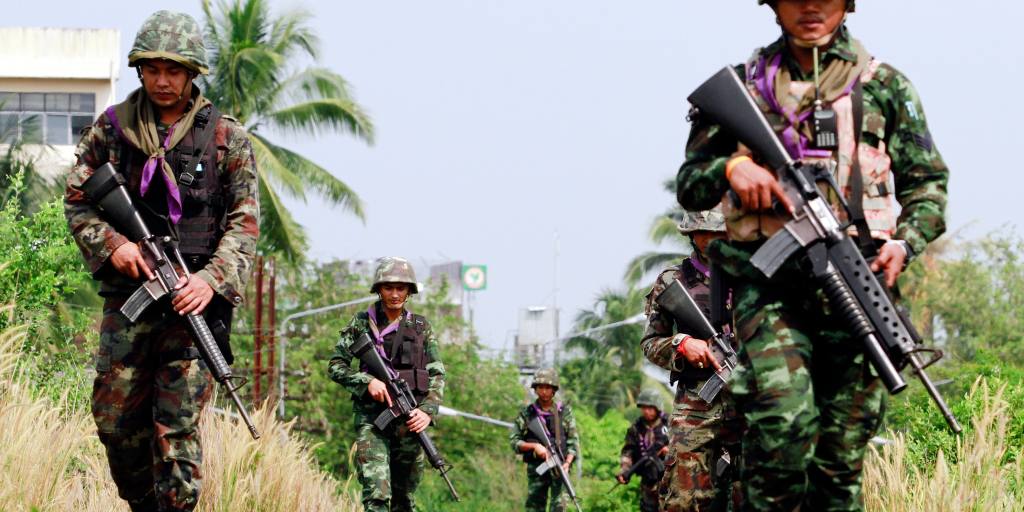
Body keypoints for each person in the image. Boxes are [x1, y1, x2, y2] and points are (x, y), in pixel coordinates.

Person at [676, 1, 949, 509]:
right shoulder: (747, 86)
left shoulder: (884, 86)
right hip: (773, 291)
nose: (810, 6)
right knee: (783, 426)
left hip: (860, 286)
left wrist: (904, 241)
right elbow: (691, 184)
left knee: (839, 462)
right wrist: (732, 169)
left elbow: (928, 183)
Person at [63, 10, 258, 512]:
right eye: (153, 70)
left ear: (192, 73)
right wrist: (115, 246)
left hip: (195, 311)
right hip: (131, 301)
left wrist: (211, 280)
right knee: (115, 424)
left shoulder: (226, 139)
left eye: (174, 71)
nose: (163, 81)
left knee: (177, 434)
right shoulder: (112, 130)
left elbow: (244, 223)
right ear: (140, 71)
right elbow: (79, 199)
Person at [640, 208, 742, 511]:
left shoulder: (750, 277)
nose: (711, 240)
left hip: (749, 403)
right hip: (696, 407)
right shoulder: (672, 281)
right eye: (704, 233)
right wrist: (681, 343)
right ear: (691, 236)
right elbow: (649, 343)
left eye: (718, 233)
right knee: (683, 500)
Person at [328, 257, 446, 512]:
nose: (394, 294)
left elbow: (436, 374)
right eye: (388, 287)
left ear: (409, 291)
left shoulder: (421, 326)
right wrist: (367, 381)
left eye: (401, 288)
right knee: (377, 496)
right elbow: (336, 365)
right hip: (373, 422)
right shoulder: (360, 323)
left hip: (410, 424)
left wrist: (428, 412)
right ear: (379, 289)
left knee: (404, 501)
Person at [510, 368, 581, 512]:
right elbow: (514, 442)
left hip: (560, 467)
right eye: (540, 387)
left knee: (559, 507)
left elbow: (573, 441)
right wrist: (534, 447)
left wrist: (567, 463)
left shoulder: (564, 412)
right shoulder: (527, 414)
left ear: (554, 389)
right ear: (535, 389)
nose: (544, 391)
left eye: (548, 388)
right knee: (534, 507)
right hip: (538, 469)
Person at [617, 389, 671, 512]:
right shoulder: (636, 428)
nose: (646, 411)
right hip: (648, 480)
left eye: (650, 408)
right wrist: (624, 470)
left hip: (670, 479)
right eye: (643, 408)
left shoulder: (670, 423)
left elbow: (684, 446)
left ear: (657, 407)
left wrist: (669, 451)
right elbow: (628, 452)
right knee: (648, 508)